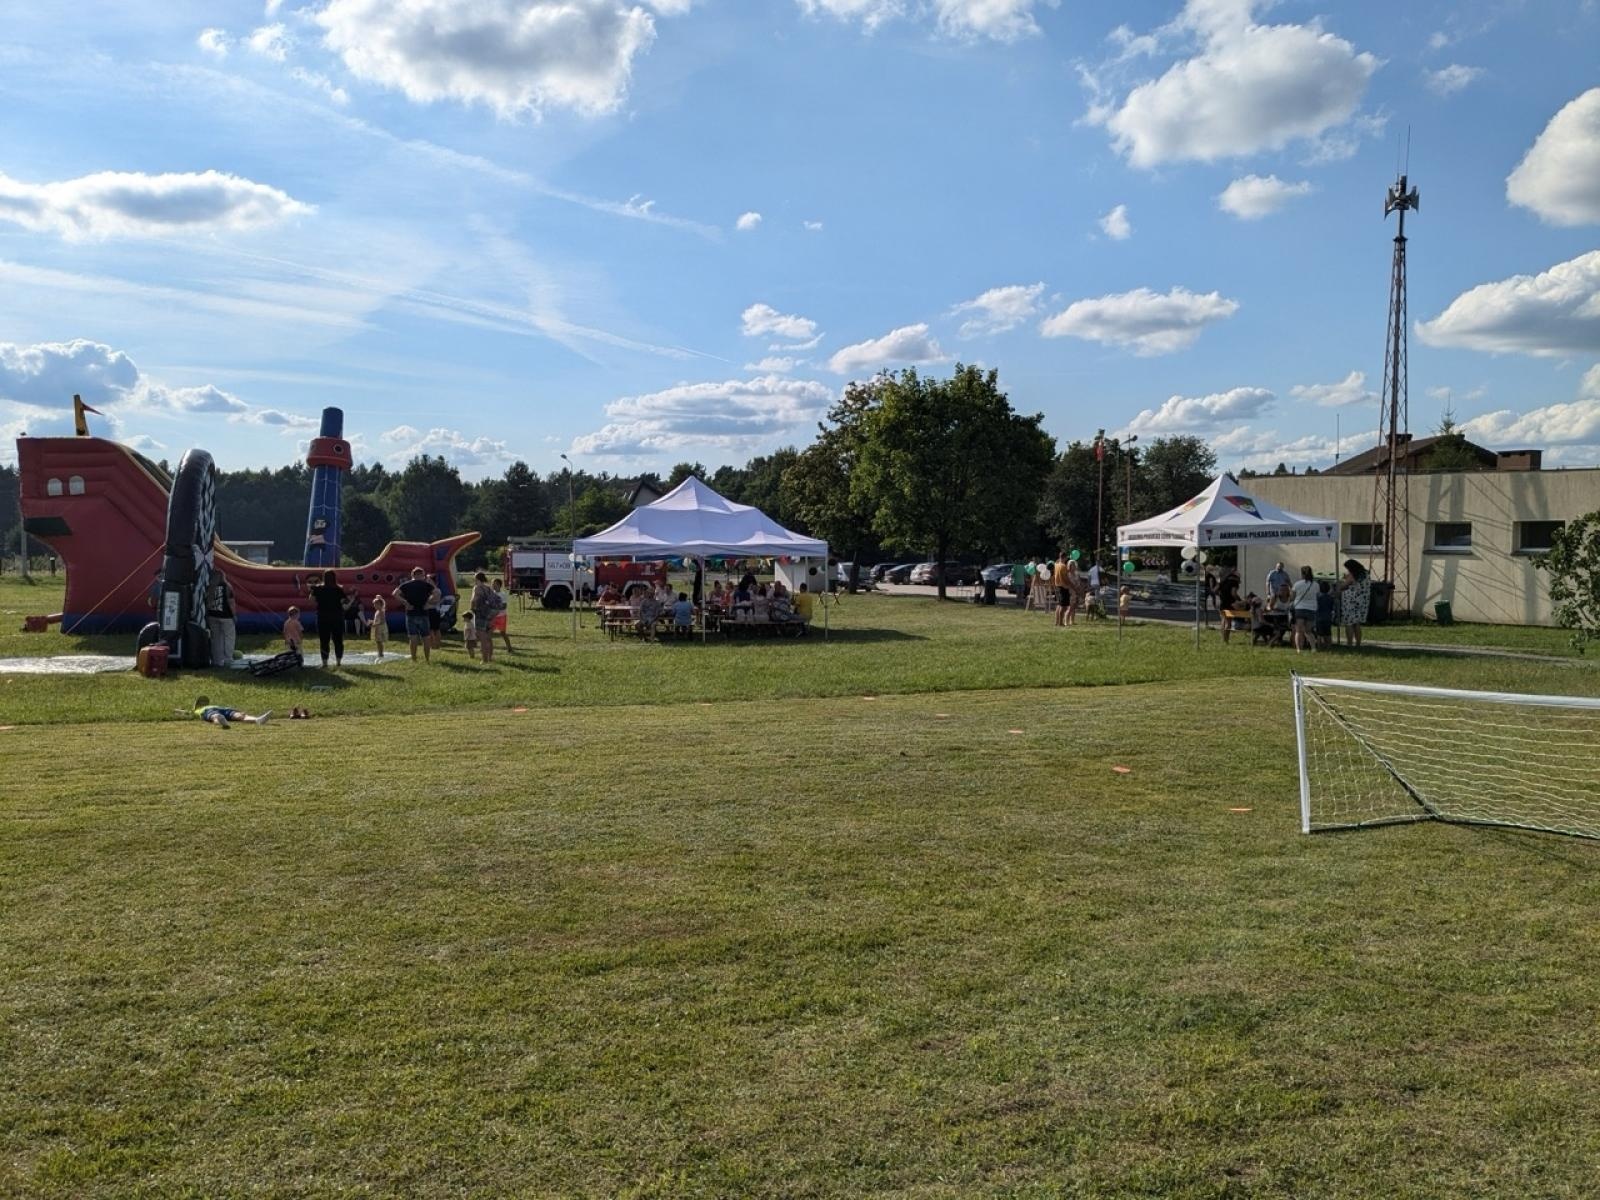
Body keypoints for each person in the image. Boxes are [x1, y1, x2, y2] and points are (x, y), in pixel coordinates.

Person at [392, 567, 438, 662]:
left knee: (413, 638)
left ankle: (414, 659)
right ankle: (427, 659)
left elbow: (395, 593)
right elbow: (436, 593)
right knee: (426, 638)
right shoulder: (426, 585)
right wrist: (428, 602)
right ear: (422, 575)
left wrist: (405, 603)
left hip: (411, 613)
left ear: (412, 575)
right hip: (423, 613)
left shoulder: (406, 585)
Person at [307, 569, 349, 668]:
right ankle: (338, 662)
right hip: (337, 617)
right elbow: (345, 603)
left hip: (323, 617)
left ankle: (325, 662)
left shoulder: (318, 589)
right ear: (334, 578)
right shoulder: (338, 589)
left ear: (324, 578)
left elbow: (311, 600)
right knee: (338, 640)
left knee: (324, 640)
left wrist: (313, 591)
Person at [205, 569, 237, 668]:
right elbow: (231, 603)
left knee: (215, 639)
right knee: (229, 638)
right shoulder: (227, 586)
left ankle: (216, 661)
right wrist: (234, 615)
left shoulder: (209, 587)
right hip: (226, 616)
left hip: (212, 616)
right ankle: (228, 659)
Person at [1339, 558, 1371, 649]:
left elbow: (1343, 586)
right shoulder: (1366, 574)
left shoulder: (1352, 575)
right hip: (1362, 602)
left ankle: (1349, 643)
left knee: (1349, 623)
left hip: (1350, 602)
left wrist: (1343, 580)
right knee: (1357, 623)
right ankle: (1358, 644)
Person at [192, 694, 270, 728]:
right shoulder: (198, 710)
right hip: (213, 710)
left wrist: (239, 711)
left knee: (240, 715)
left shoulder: (202, 708)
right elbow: (194, 712)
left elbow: (227, 708)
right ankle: (222, 722)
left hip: (222, 709)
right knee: (215, 716)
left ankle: (257, 720)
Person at [1290, 564, 1318, 653]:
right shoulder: (1316, 585)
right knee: (1308, 631)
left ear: (1302, 573)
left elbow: (1292, 597)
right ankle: (1313, 648)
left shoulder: (1297, 584)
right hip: (1311, 608)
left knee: (1298, 631)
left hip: (1299, 608)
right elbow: (1317, 595)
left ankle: (1299, 649)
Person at [469, 571, 495, 663]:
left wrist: (471, 609)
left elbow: (473, 600)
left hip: (480, 613)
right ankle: (490, 657)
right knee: (488, 637)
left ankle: (484, 659)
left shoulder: (477, 588)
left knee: (482, 637)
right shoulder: (489, 588)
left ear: (477, 579)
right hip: (489, 613)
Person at [490, 578, 513, 653]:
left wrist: (496, 607)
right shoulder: (491, 594)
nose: (493, 585)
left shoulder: (502, 594)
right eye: (492, 584)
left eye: (495, 584)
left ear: (499, 585)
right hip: (493, 617)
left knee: (502, 633)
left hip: (501, 617)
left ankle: (509, 647)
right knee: (489, 632)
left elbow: (504, 606)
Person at [1051, 553, 1072, 627]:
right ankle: (1060, 623)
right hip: (1064, 587)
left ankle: (1057, 622)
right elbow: (1065, 578)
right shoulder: (1063, 566)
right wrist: (1070, 584)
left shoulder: (1056, 565)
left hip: (1058, 586)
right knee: (1063, 606)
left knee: (1059, 605)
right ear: (1065, 557)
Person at [1314, 580, 1335, 650]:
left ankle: (1319, 646)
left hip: (1319, 617)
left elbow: (1316, 607)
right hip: (1328, 617)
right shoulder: (1331, 598)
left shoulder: (1318, 598)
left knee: (1319, 634)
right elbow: (1332, 607)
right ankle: (1329, 646)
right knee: (1328, 633)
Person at [370, 595, 388, 659]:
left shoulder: (381, 611)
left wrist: (375, 624)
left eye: (376, 604)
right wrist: (372, 621)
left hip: (381, 628)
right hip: (377, 628)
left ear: (380, 605)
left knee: (379, 641)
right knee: (378, 641)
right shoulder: (377, 611)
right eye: (374, 604)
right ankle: (379, 652)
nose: (374, 606)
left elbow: (382, 621)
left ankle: (381, 653)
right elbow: (377, 620)